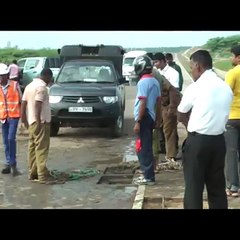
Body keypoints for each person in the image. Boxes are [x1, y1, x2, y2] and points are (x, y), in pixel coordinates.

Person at [177, 50, 233, 209]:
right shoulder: (225, 87)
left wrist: (190, 128)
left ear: (198, 66)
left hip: (198, 142)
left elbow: (181, 113)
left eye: (191, 68)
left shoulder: (196, 87)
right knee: (217, 187)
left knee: (194, 188)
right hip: (218, 141)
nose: (191, 72)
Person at [21, 68, 64, 184]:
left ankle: (33, 172)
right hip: (41, 122)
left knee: (32, 148)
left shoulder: (30, 86)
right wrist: (39, 122)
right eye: (50, 79)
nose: (50, 81)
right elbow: (38, 105)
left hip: (31, 122)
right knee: (42, 148)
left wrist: (24, 119)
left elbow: (23, 103)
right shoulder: (42, 87)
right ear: (48, 76)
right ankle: (42, 176)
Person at [132, 55, 161, 185]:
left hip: (144, 117)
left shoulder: (143, 82)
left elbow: (142, 102)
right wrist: (158, 119)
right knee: (146, 146)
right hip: (151, 116)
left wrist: (138, 121)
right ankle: (148, 174)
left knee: (142, 148)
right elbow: (158, 102)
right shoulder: (155, 81)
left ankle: (148, 177)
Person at [153, 53, 180, 162]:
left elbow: (174, 91)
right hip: (160, 104)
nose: (156, 64)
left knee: (169, 130)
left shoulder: (173, 73)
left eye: (157, 62)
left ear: (164, 61)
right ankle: (164, 150)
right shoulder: (156, 72)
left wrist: (172, 108)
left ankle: (171, 155)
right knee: (160, 129)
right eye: (154, 62)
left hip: (169, 104)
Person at [0, 63, 22, 176]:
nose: (0, 78)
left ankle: (13, 164)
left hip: (14, 117)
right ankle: (8, 163)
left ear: (7, 75)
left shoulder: (14, 85)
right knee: (5, 141)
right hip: (3, 118)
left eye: (2, 75)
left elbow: (22, 101)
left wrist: (24, 117)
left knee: (10, 139)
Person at [224, 45, 240, 197]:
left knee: (231, 152)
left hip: (233, 118)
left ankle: (234, 186)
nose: (231, 58)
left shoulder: (232, 73)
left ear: (238, 57)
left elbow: (225, 95)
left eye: (232, 56)